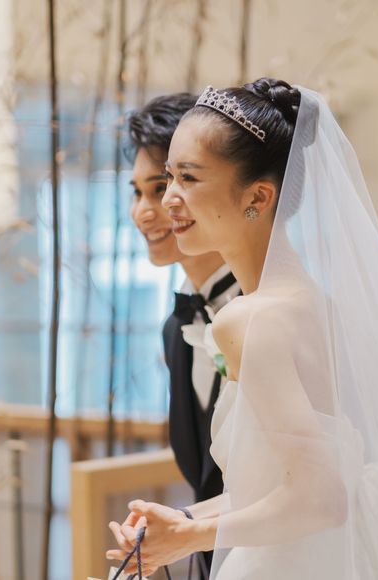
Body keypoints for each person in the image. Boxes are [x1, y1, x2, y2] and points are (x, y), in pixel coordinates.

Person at [109, 79, 378, 578]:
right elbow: (290, 483)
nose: (168, 201)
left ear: (258, 196)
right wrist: (186, 519)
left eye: (188, 179)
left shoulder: (247, 319)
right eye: (169, 178)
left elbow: (321, 498)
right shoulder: (314, 304)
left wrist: (190, 537)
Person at [123, 93, 241, 577]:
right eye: (137, 192)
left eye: (165, 186)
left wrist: (188, 527)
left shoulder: (273, 313)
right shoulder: (176, 330)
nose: (145, 211)